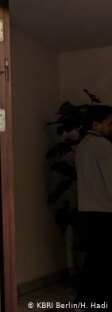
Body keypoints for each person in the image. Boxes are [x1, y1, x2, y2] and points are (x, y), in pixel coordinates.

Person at [75, 104, 112, 304]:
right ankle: (100, 298)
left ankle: (86, 298)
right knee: (104, 258)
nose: (111, 128)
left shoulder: (82, 146)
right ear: (96, 124)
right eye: (109, 123)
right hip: (106, 210)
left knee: (95, 255)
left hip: (88, 208)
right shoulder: (103, 146)